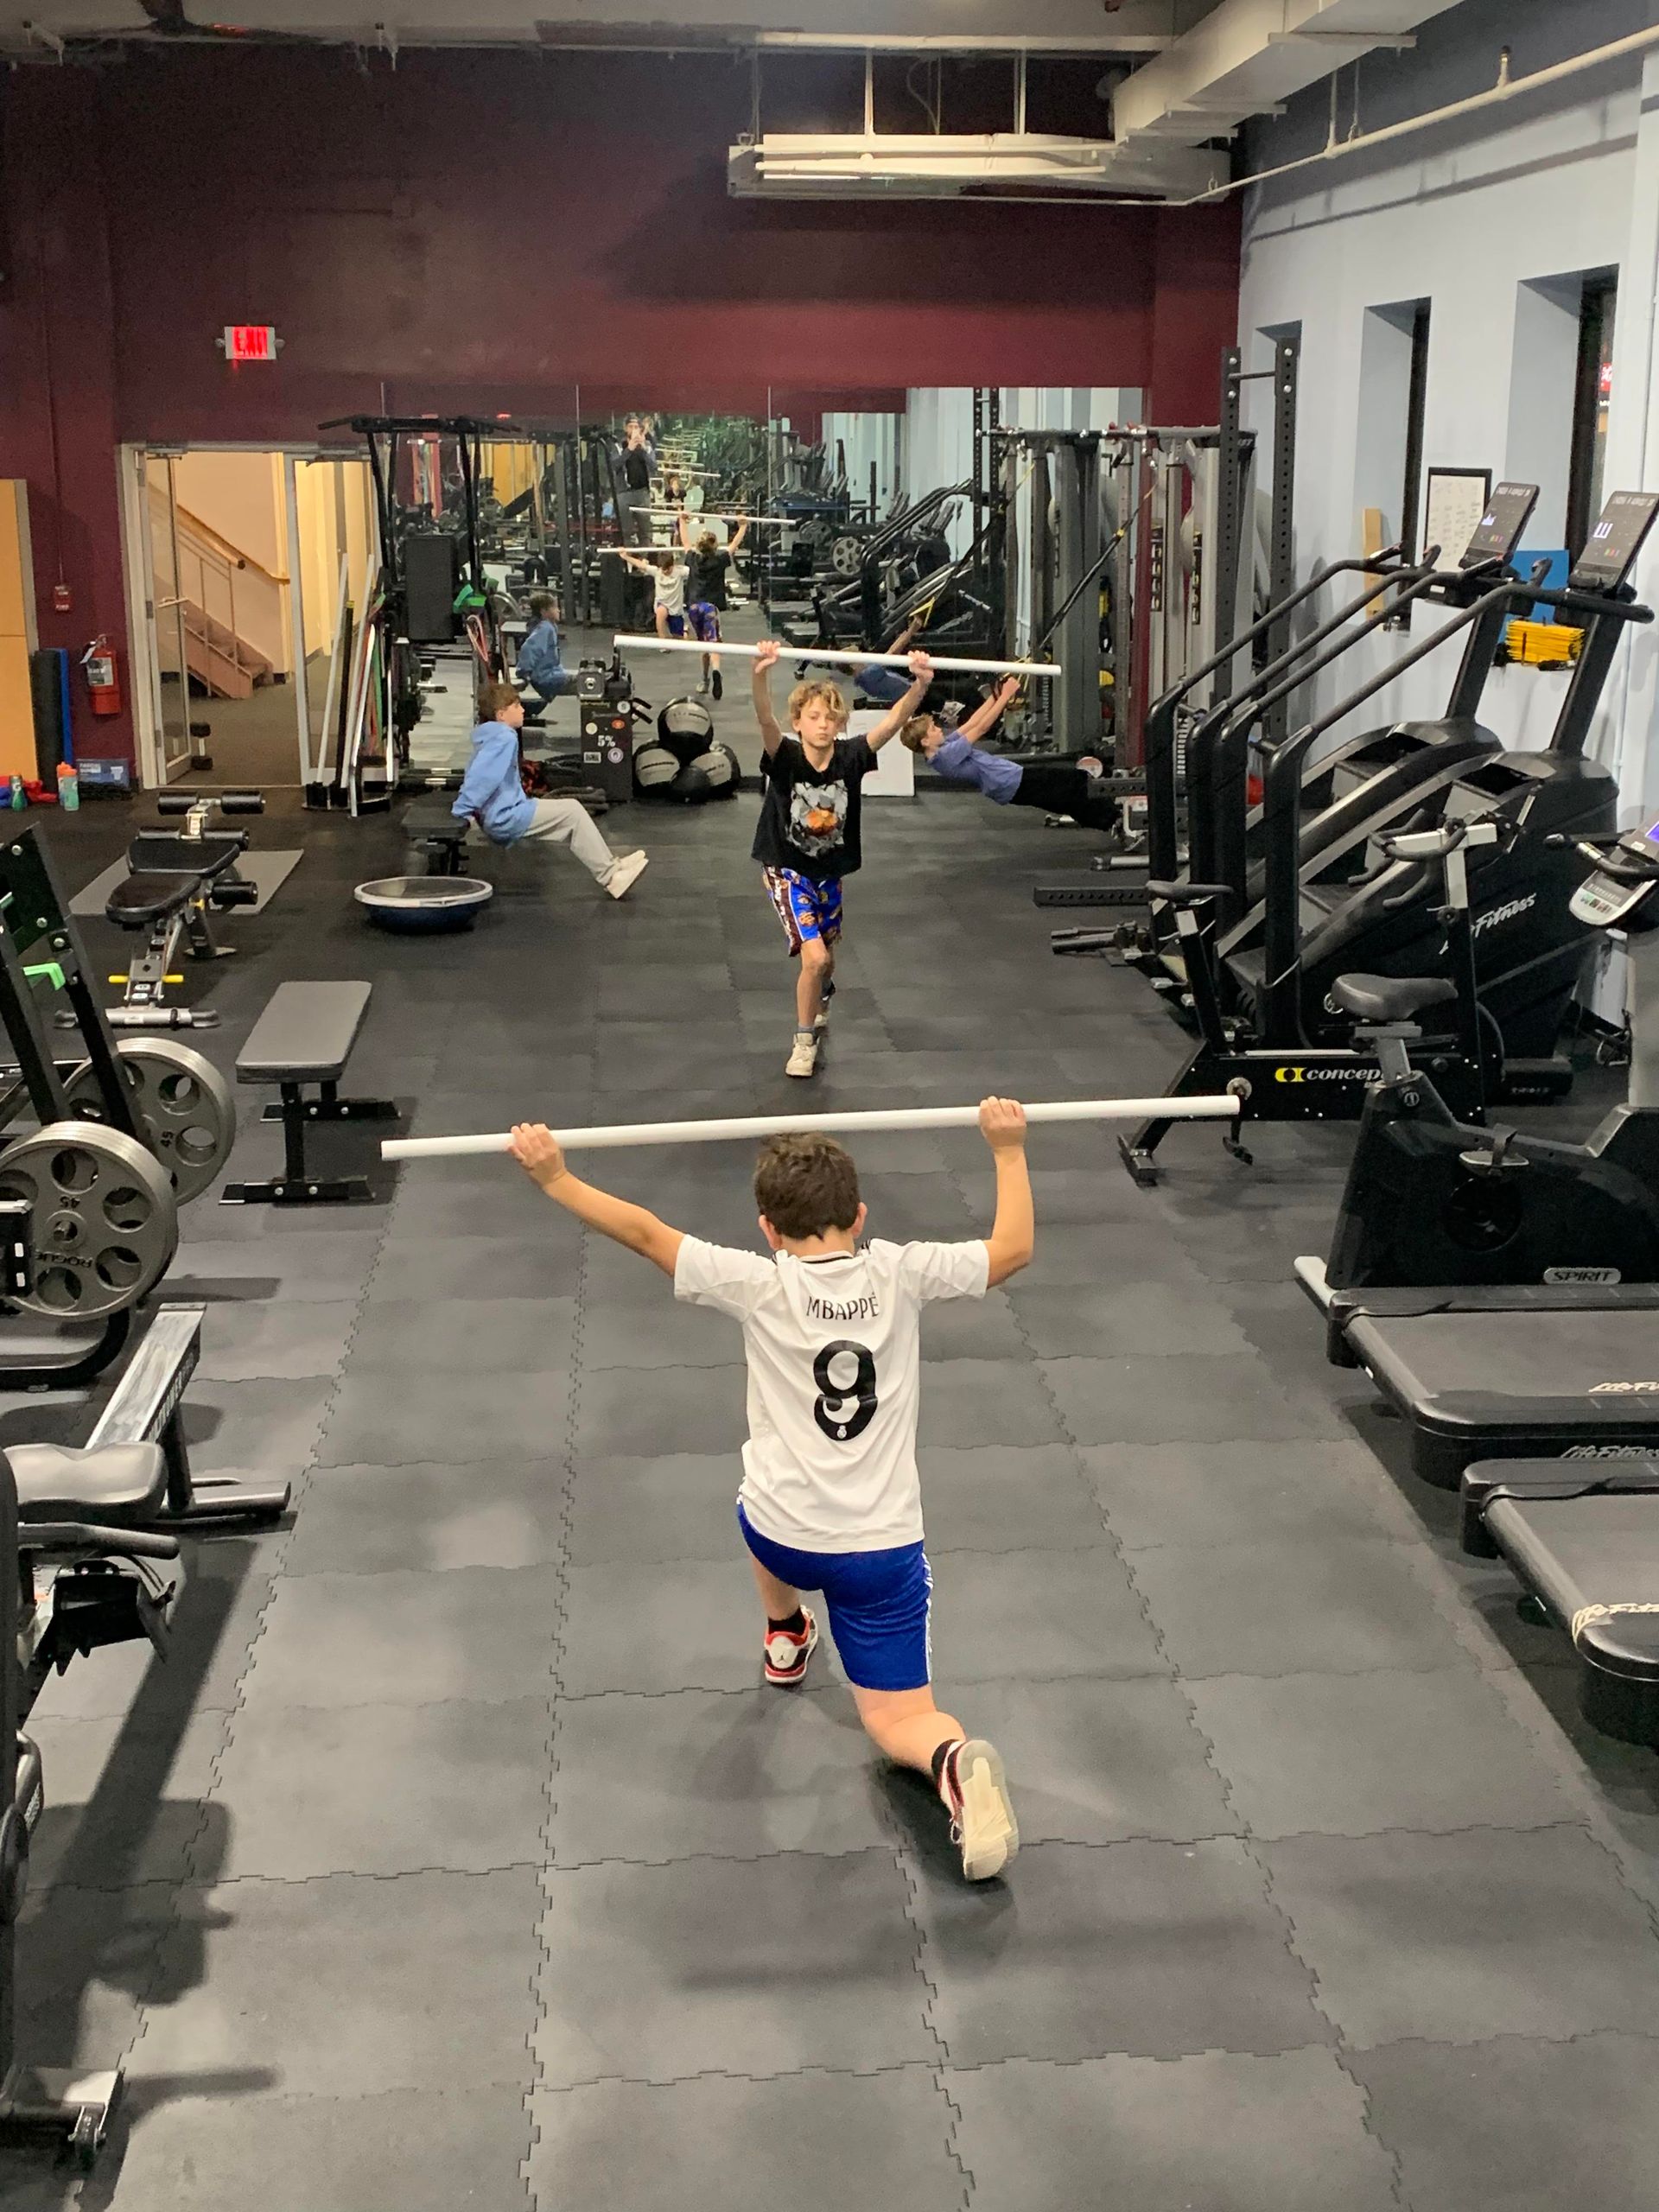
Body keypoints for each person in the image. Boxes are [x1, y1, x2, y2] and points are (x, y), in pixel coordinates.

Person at [506, 1096, 1033, 1884]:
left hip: (781, 1533)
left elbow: (646, 1232)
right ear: (859, 1214)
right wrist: (1007, 1148)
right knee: (899, 1719)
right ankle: (952, 1761)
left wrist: (555, 1177)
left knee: (756, 1495)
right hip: (880, 1553)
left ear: (767, 1228)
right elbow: (1013, 1249)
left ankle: (784, 1634)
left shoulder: (755, 1282)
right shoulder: (904, 1269)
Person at [751, 637, 932, 1078]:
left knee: (825, 961)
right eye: (813, 718)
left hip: (829, 874)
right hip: (787, 870)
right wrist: (761, 674)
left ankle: (824, 991)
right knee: (812, 958)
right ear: (799, 722)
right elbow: (764, 718)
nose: (822, 725)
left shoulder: (851, 757)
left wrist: (920, 685)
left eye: (830, 719)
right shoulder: (786, 757)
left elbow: (893, 722)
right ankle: (803, 1041)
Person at [453, 679, 648, 899]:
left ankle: (611, 866)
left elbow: (479, 773)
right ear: (501, 715)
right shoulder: (503, 737)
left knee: (572, 813)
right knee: (573, 812)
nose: (523, 709)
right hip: (505, 817)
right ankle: (611, 877)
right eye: (516, 706)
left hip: (510, 808)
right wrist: (463, 811)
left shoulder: (490, 735)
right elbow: (483, 777)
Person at [903, 683, 1122, 830]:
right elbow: (980, 729)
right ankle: (1116, 818)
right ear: (924, 741)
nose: (939, 729)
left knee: (1069, 793)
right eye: (933, 729)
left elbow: (971, 723)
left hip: (1011, 779)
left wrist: (995, 695)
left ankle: (1112, 819)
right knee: (1073, 784)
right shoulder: (946, 757)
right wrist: (1006, 696)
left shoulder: (941, 749)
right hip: (1010, 783)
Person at [678, 513, 752, 700]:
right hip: (710, 607)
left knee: (704, 643)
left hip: (694, 607)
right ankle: (716, 672)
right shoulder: (719, 560)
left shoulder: (693, 559)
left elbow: (684, 540)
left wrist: (681, 520)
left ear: (699, 545)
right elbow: (734, 545)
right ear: (715, 546)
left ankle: (704, 680)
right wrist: (743, 526)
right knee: (714, 642)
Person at [618, 547, 692, 642]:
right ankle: (662, 642)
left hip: (675, 609)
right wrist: (625, 556)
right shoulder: (657, 571)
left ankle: (685, 632)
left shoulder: (681, 571)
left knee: (678, 638)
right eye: (663, 569)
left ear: (672, 565)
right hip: (662, 604)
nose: (665, 572)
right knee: (661, 611)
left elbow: (696, 569)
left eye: (668, 569)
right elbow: (640, 565)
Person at [515, 591, 573, 712]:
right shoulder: (545, 628)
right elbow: (529, 648)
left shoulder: (547, 627)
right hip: (547, 679)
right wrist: (524, 671)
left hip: (551, 674)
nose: (559, 611)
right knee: (593, 682)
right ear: (544, 611)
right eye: (555, 607)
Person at [618, 416, 654, 546]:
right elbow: (614, 465)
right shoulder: (618, 446)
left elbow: (654, 467)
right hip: (624, 493)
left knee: (645, 532)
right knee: (626, 532)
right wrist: (629, 449)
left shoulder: (647, 446)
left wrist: (643, 449)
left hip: (642, 493)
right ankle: (628, 563)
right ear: (625, 428)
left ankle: (643, 563)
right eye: (631, 426)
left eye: (636, 427)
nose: (633, 430)